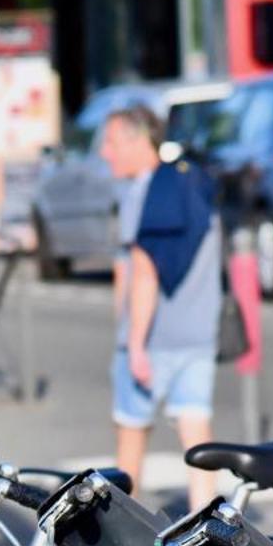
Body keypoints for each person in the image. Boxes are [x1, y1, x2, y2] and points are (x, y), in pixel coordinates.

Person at [99, 104, 221, 511]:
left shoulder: (143, 194)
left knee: (132, 432)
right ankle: (209, 520)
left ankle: (121, 524)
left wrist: (132, 340)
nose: (105, 152)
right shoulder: (195, 183)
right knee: (195, 428)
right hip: (198, 330)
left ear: (138, 140)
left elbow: (144, 270)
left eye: (112, 141)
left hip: (152, 338)